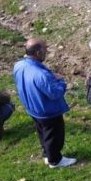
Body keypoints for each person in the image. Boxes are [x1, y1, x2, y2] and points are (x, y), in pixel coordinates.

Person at [13, 38, 76, 168]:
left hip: (32, 107)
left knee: (43, 133)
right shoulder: (40, 74)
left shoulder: (18, 65)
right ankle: (55, 160)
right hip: (47, 110)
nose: (47, 52)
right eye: (45, 49)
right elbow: (55, 93)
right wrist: (61, 82)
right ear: (37, 53)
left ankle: (47, 154)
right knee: (54, 136)